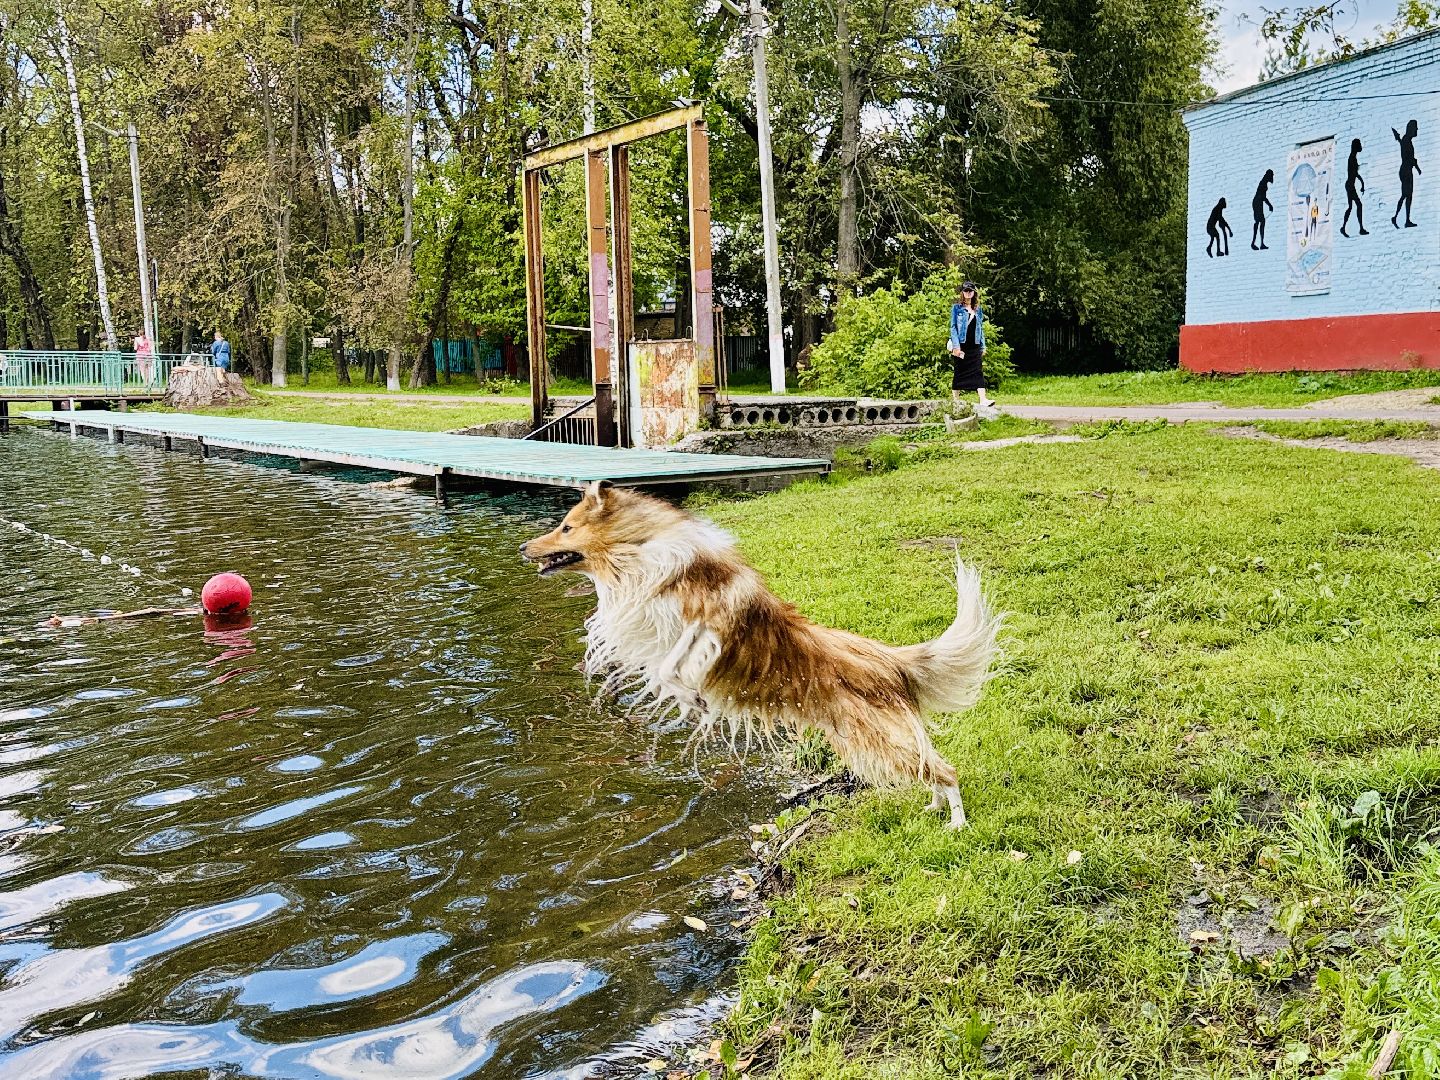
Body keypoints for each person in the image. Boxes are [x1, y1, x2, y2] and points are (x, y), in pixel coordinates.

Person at [947, 281, 997, 419]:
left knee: (977, 371)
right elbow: (953, 328)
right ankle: (956, 402)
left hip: (974, 345)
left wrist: (983, 346)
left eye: (970, 290)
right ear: (962, 293)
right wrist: (956, 346)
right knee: (959, 372)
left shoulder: (977, 309)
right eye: (966, 290)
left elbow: (980, 328)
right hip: (961, 346)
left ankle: (983, 399)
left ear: (974, 293)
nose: (968, 293)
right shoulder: (956, 308)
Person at [1393, 119, 1421, 229]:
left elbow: (1411, 157)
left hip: (1408, 170)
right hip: (1405, 171)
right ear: (1411, 129)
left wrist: (1417, 167)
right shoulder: (1406, 140)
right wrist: (1416, 165)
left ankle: (1407, 220)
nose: (1417, 130)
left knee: (1408, 196)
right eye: (1416, 127)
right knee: (1406, 194)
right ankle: (1395, 217)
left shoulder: (1406, 140)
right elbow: (1408, 158)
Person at [1340, 139, 1367, 237]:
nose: (1361, 146)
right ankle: (1359, 228)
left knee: (1353, 206)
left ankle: (1346, 228)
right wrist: (1362, 183)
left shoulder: (1353, 157)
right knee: (1357, 205)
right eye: (1359, 144)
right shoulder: (1352, 158)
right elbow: (1354, 174)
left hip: (1350, 185)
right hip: (1350, 185)